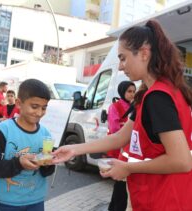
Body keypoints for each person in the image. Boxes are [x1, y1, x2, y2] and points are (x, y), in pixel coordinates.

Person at [52, 19, 192, 211]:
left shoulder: (158, 97)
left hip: (163, 200)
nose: (120, 66)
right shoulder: (155, 93)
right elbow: (120, 137)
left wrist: (128, 168)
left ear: (144, 53)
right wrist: (75, 149)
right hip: (165, 195)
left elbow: (182, 161)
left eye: (123, 58)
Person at [0, 79, 55, 211]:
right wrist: (19, 163)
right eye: (34, 106)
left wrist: (49, 162)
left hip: (36, 200)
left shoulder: (46, 134)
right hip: (7, 202)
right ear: (19, 103)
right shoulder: (3, 130)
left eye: (44, 108)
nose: (39, 113)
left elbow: (47, 171)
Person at [107, 81, 136, 211]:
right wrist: (127, 128)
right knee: (120, 186)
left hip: (131, 152)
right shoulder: (115, 106)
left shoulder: (135, 106)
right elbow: (114, 129)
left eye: (134, 91)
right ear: (122, 92)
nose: (132, 94)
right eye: (129, 91)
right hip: (119, 150)